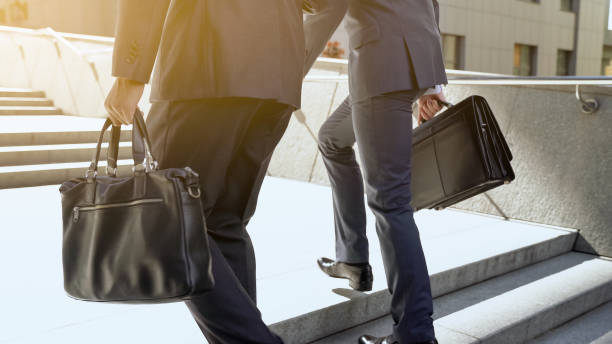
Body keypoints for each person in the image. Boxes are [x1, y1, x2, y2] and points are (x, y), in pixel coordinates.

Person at [104, 1, 305, 343]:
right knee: (224, 223)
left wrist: (130, 72)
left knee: (166, 221)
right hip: (280, 71)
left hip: (206, 61)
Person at [303, 0, 447, 343]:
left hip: (381, 65)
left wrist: (285, 74)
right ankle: (352, 259)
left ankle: (414, 333)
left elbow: (325, 7)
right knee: (331, 139)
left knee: (390, 201)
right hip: (410, 59)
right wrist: (429, 81)